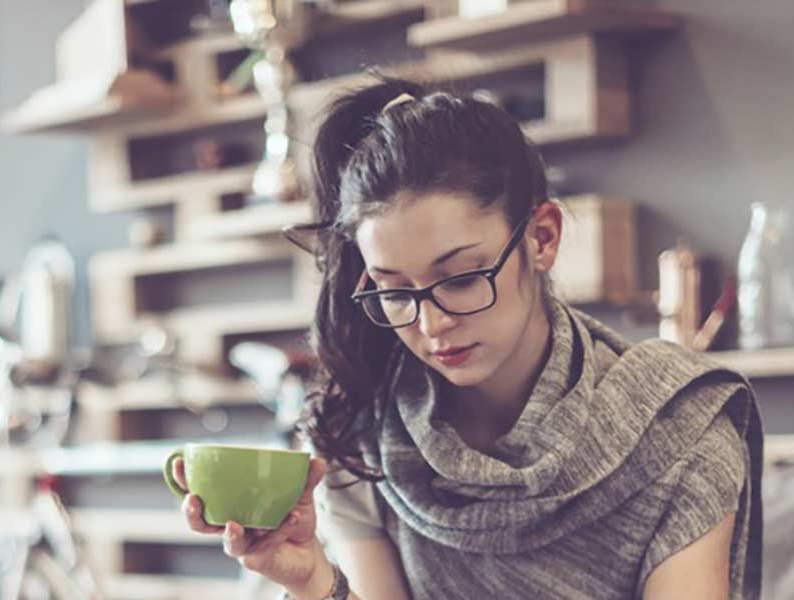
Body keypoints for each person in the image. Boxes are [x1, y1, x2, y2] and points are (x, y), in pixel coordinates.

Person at [171, 76, 763, 600]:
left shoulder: (679, 427)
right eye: (395, 291)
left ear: (542, 237)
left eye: (458, 278)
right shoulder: (364, 435)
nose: (430, 325)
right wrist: (312, 584)